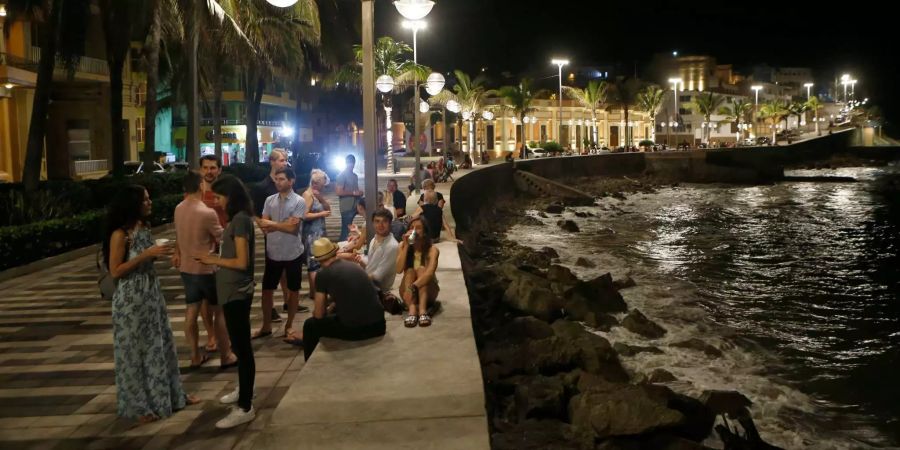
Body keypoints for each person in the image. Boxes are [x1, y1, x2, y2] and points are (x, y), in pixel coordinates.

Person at [103, 185, 198, 424]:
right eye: (145, 199)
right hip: (130, 300)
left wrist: (159, 253)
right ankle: (138, 406)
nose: (150, 202)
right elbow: (115, 271)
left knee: (160, 344)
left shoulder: (143, 228)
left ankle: (171, 395)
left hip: (150, 293)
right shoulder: (120, 234)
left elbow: (145, 256)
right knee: (134, 352)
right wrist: (146, 255)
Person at [195, 175, 257, 429]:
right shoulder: (238, 220)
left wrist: (213, 261)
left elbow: (241, 262)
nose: (217, 202)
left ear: (231, 196)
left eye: (219, 197)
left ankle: (245, 405)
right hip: (232, 291)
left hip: (237, 293)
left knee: (242, 348)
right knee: (240, 347)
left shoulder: (240, 221)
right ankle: (244, 389)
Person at [173, 171, 237, 370]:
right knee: (219, 311)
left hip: (187, 268)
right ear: (201, 186)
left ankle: (194, 355)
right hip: (207, 268)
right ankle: (226, 354)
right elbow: (222, 237)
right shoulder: (206, 212)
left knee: (191, 311)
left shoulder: (178, 209)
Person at [296, 238, 387, 360]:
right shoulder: (352, 266)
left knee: (310, 325)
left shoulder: (322, 274)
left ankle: (309, 360)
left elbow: (319, 315)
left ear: (319, 259)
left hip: (361, 329)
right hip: (379, 324)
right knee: (334, 310)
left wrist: (323, 310)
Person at [254, 168, 307, 343]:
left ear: (291, 181)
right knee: (267, 290)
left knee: (293, 290)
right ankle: (266, 325)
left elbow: (293, 229)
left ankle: (289, 324)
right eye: (276, 179)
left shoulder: (299, 201)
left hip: (292, 252)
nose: (278, 182)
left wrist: (272, 224)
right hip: (273, 251)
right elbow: (263, 223)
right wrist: (279, 224)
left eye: (282, 179)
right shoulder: (270, 200)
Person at [253, 150, 289, 323]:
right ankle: (270, 308)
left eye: (286, 160)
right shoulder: (263, 187)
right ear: (272, 162)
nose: (285, 163)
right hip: (273, 237)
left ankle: (288, 301)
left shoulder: (287, 183)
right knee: (272, 274)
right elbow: (255, 213)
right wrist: (264, 227)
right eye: (282, 160)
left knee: (286, 271)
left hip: (288, 235)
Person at [198, 155, 227, 352]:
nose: (209, 171)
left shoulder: (225, 190)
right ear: (201, 170)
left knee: (221, 296)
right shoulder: (194, 192)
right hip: (201, 249)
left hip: (223, 247)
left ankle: (221, 332)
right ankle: (211, 334)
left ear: (219, 170)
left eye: (213, 168)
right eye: (206, 168)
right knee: (204, 298)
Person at [340, 208, 399, 295]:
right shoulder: (374, 239)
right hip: (369, 282)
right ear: (373, 223)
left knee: (342, 285)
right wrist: (361, 262)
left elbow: (378, 277)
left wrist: (357, 279)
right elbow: (371, 267)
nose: (380, 225)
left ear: (390, 223)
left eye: (384, 221)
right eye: (377, 221)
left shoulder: (392, 246)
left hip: (378, 290)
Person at [396, 216, 440, 328]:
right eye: (412, 227)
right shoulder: (402, 246)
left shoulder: (432, 250)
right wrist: (406, 246)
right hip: (408, 290)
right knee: (410, 271)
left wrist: (413, 288)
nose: (414, 230)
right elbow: (398, 269)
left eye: (418, 228)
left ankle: (422, 311)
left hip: (426, 290)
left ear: (425, 232)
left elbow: (429, 274)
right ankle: (412, 311)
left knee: (421, 269)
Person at [301, 169, 331, 301]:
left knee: (319, 262)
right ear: (315, 183)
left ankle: (317, 291)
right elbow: (304, 215)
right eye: (323, 184)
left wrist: (320, 198)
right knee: (313, 263)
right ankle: (315, 292)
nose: (324, 187)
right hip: (312, 234)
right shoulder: (307, 195)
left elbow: (327, 208)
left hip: (319, 232)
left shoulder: (316, 195)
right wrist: (321, 214)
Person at [335, 154, 362, 242]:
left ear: (354, 163)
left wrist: (359, 193)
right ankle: (341, 248)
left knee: (369, 217)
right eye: (349, 163)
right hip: (346, 207)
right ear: (346, 163)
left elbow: (356, 190)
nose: (351, 165)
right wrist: (354, 193)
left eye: (352, 163)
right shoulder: (341, 175)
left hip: (356, 205)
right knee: (345, 230)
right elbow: (338, 191)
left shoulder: (355, 176)